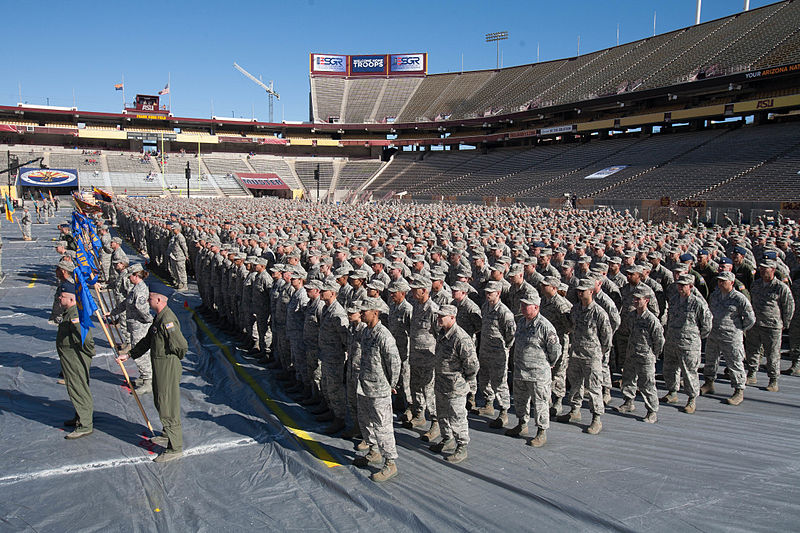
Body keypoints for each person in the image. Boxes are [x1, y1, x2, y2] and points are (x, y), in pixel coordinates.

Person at [119, 291, 188, 462]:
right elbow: (147, 340)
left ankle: (175, 447)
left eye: (150, 298)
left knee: (167, 405)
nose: (148, 301)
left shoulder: (167, 320)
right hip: (160, 365)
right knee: (160, 400)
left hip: (167, 366)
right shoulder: (159, 318)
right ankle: (167, 433)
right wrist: (129, 355)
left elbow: (181, 346)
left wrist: (171, 360)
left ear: (159, 299)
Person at [353, 297, 401, 482]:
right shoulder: (366, 331)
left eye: (364, 310)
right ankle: (374, 452)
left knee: (383, 427)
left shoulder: (384, 336)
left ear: (375, 312)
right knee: (366, 422)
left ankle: (390, 463)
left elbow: (394, 363)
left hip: (379, 389)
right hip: (364, 386)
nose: (361, 313)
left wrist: (392, 385)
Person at [505, 293, 561, 447]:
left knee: (540, 403)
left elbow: (555, 349)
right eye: (522, 304)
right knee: (520, 400)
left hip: (538, 373)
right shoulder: (522, 322)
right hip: (521, 370)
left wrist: (549, 363)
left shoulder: (544, 326)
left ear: (536, 307)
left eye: (526, 305)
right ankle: (522, 424)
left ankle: (541, 432)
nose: (522, 307)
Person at [559, 278, 611, 435]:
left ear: (591, 291)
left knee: (594, 388)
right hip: (576, 353)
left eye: (583, 290)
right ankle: (575, 410)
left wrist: (598, 353)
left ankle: (596, 419)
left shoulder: (599, 313)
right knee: (575, 385)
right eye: (578, 291)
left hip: (592, 356)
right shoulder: (575, 309)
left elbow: (607, 338)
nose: (580, 293)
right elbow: (571, 327)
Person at [430, 304, 479, 463]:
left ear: (452, 317)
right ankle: (447, 439)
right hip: (441, 383)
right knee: (442, 414)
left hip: (455, 386)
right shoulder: (442, 333)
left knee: (457, 416)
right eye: (438, 316)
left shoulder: (461, 338)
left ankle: (462, 446)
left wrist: (464, 379)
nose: (438, 318)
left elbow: (472, 365)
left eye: (441, 316)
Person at [661, 274, 712, 413]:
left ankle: (691, 399)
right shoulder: (674, 300)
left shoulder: (698, 303)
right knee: (669, 369)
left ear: (691, 286)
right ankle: (672, 392)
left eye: (683, 285)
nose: (680, 288)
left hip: (689, 344)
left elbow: (707, 324)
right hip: (672, 341)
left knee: (689, 372)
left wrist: (695, 337)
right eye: (679, 285)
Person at [703, 271, 756, 404]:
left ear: (731, 283)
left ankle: (738, 391)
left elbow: (750, 319)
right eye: (719, 281)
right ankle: (709, 383)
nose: (720, 283)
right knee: (710, 359)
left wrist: (738, 329)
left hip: (731, 336)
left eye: (723, 281)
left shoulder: (739, 298)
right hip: (714, 333)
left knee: (735, 363)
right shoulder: (715, 295)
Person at [616, 288, 665, 423]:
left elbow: (659, 341)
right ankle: (628, 402)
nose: (635, 301)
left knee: (647, 384)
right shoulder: (632, 316)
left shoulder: (651, 320)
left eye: (639, 299)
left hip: (645, 356)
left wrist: (653, 354)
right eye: (634, 299)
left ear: (646, 301)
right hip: (631, 354)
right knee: (628, 379)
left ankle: (652, 411)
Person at [745, 258, 794, 391]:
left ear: (772, 270)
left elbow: (788, 306)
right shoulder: (756, 284)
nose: (761, 270)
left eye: (765, 268)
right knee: (753, 350)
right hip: (755, 324)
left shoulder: (780, 287)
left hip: (772, 325)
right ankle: (751, 373)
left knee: (772, 354)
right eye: (761, 268)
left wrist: (785, 323)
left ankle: (773, 380)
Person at [56, 282, 96, 439]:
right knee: (76, 387)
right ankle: (80, 416)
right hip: (70, 358)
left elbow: (86, 339)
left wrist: (87, 353)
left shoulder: (74, 316)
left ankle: (85, 424)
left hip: (75, 358)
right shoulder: (70, 312)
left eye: (62, 296)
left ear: (72, 299)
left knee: (78, 388)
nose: (59, 298)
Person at [109, 264, 153, 393]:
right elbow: (125, 303)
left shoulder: (140, 290)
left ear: (136, 275)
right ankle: (144, 376)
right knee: (137, 350)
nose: (128, 278)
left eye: (130, 276)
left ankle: (148, 380)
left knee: (140, 353)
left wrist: (149, 320)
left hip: (140, 326)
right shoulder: (134, 289)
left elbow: (142, 309)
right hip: (135, 325)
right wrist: (113, 312)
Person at [477, 280, 516, 429]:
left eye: (490, 293)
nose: (487, 295)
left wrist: (505, 347)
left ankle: (503, 411)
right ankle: (488, 404)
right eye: (486, 292)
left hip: (498, 352)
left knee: (499, 382)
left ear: (498, 293)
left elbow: (511, 334)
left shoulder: (504, 312)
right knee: (484, 379)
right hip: (485, 350)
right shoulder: (485, 307)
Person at [167, 223, 189, 290]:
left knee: (181, 271)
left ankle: (184, 285)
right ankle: (179, 283)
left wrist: (186, 255)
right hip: (174, 256)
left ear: (177, 229)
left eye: (174, 229)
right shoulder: (174, 236)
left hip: (180, 257)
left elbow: (184, 247)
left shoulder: (180, 237)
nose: (172, 230)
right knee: (175, 270)